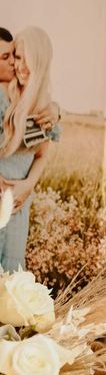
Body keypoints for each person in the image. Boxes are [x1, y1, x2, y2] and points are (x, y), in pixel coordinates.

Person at [0, 26, 61, 272]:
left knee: (12, 275)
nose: (18, 65)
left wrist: (28, 185)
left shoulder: (43, 106)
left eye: (21, 57)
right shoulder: (4, 94)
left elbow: (42, 154)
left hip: (19, 203)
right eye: (15, 57)